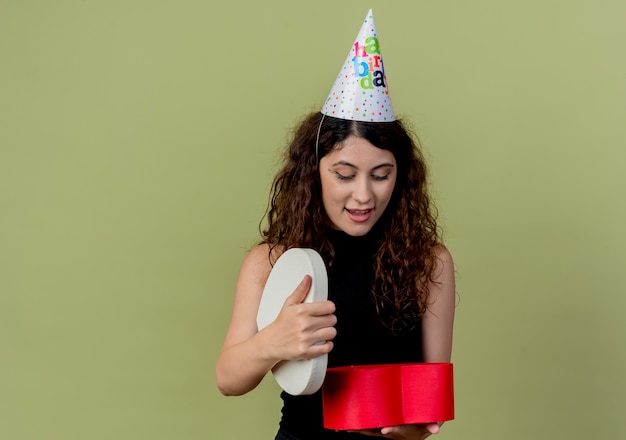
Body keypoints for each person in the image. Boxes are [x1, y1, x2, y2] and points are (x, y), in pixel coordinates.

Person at [216, 9, 455, 440]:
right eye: (344, 175)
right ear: (314, 171)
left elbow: (428, 408)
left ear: (402, 176)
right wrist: (275, 340)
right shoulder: (269, 262)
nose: (364, 195)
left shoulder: (428, 263)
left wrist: (411, 428)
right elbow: (228, 379)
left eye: (381, 175)